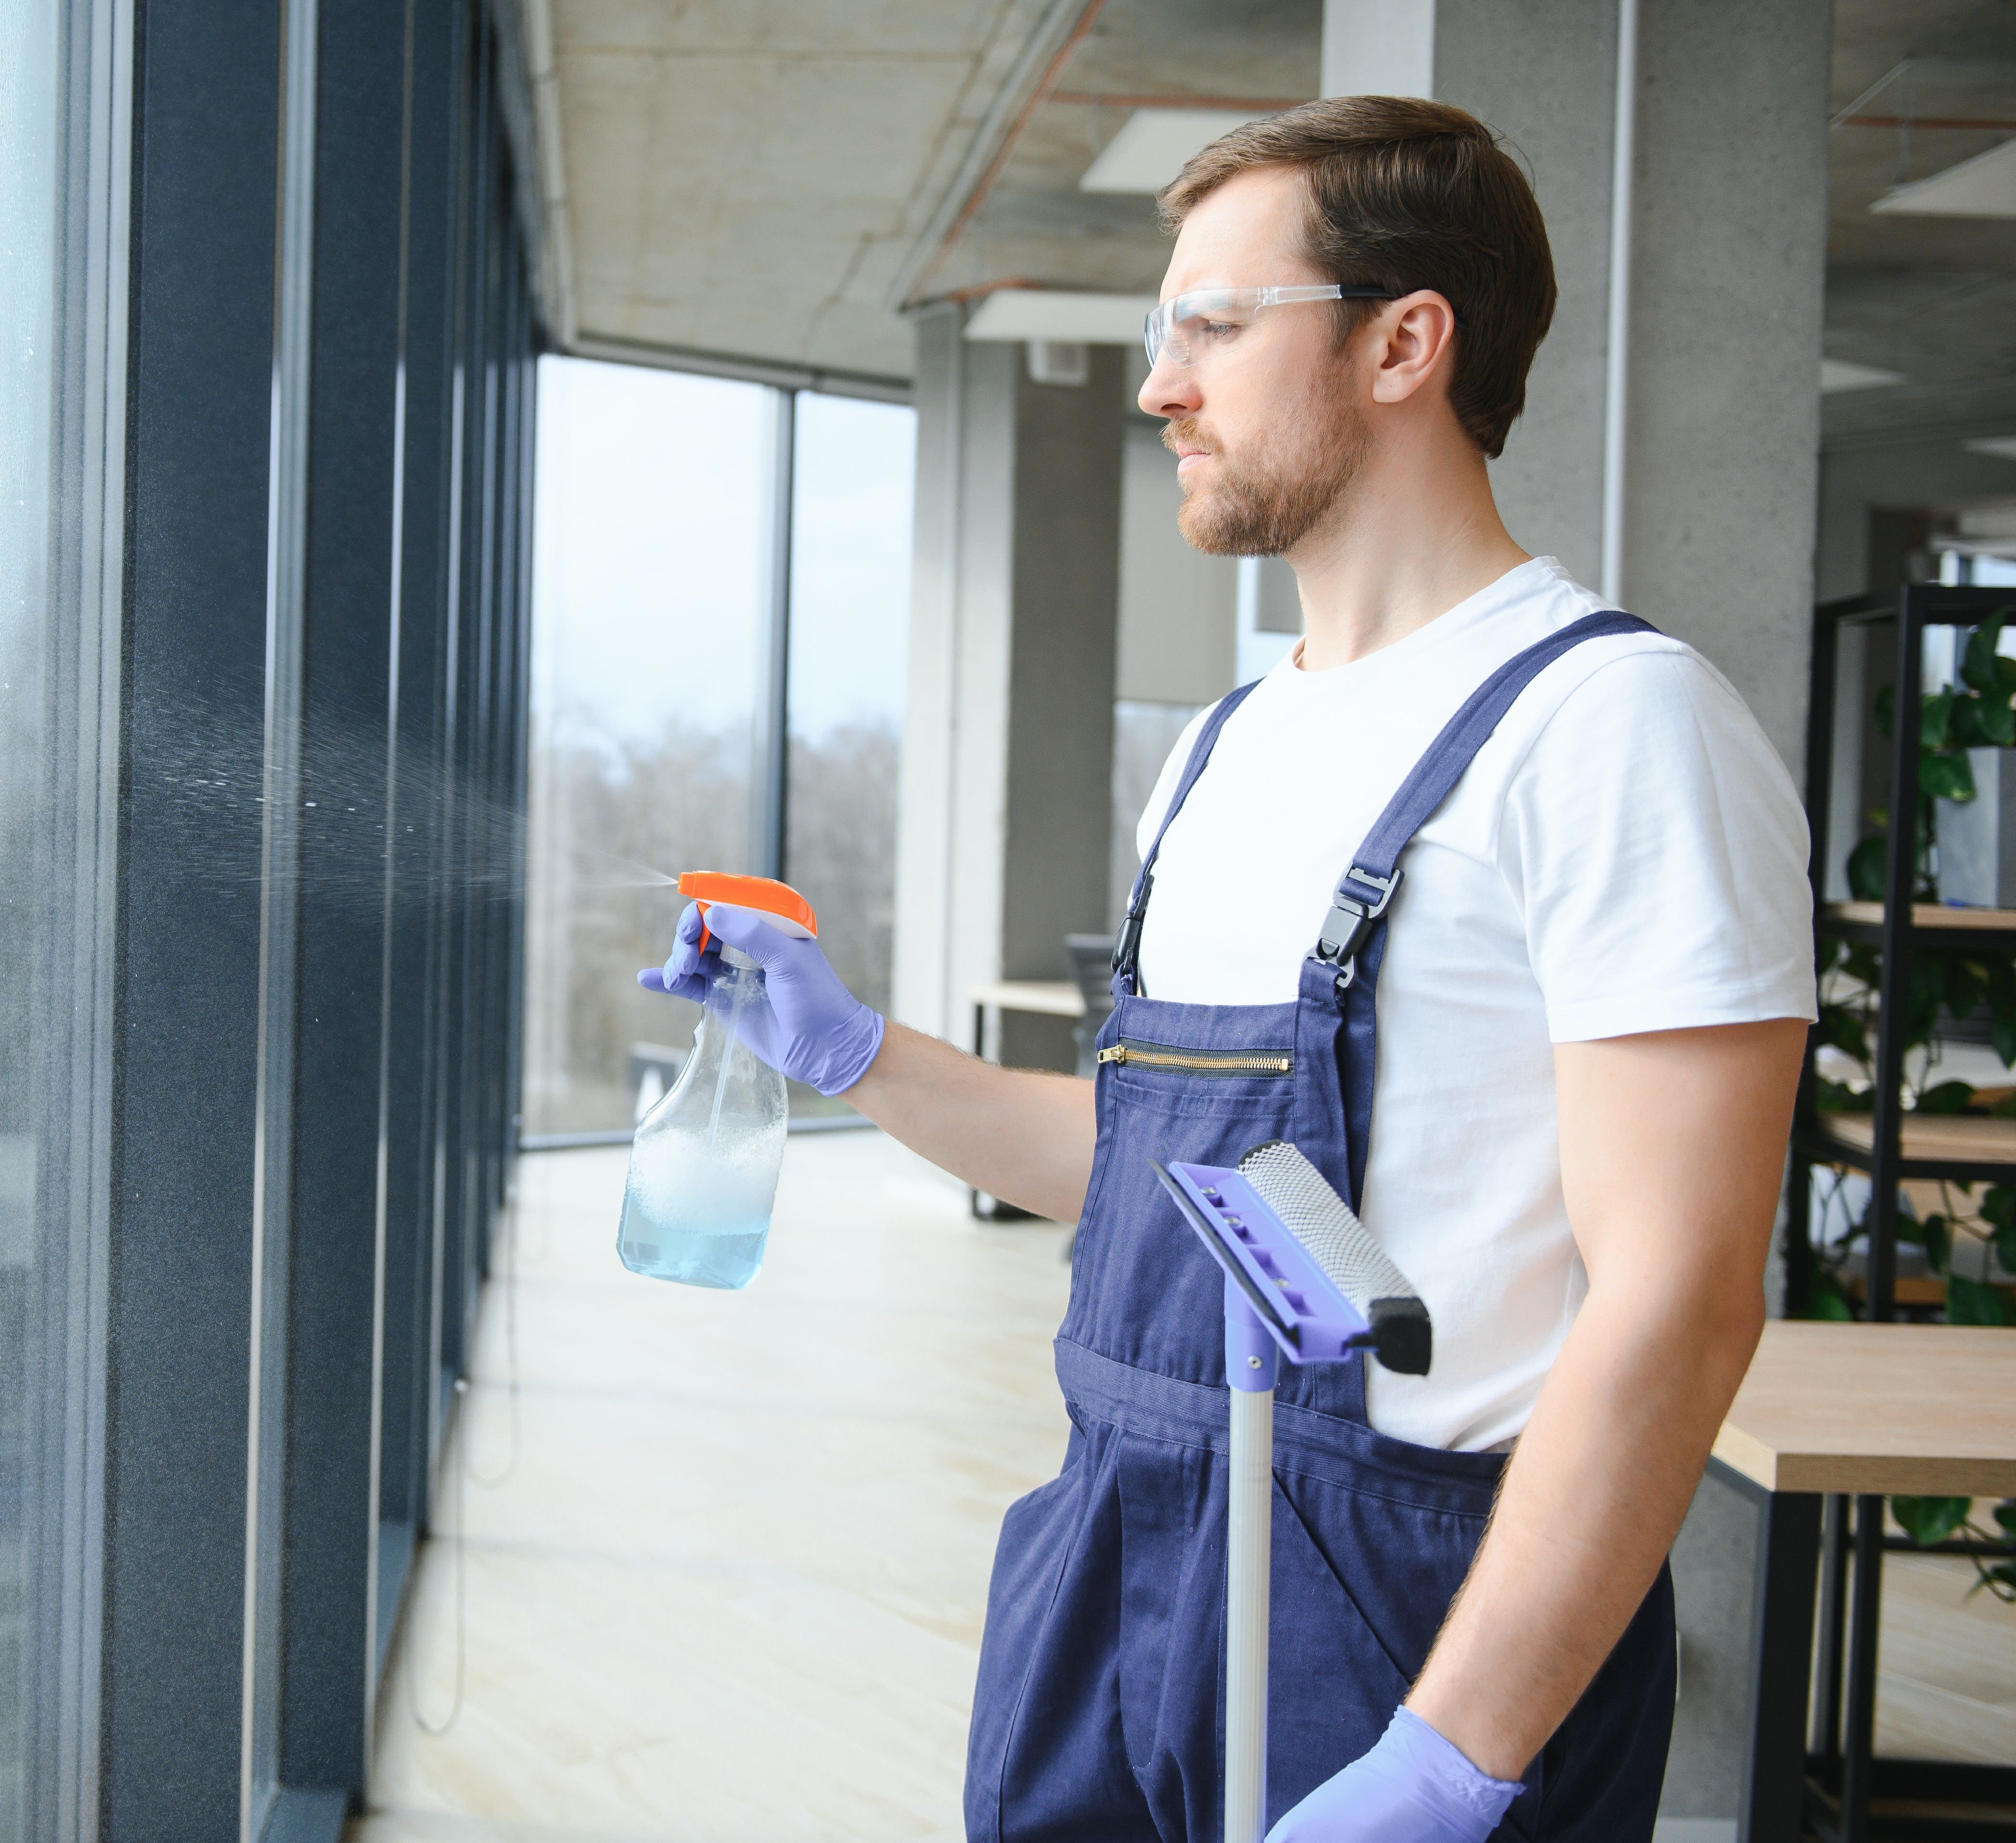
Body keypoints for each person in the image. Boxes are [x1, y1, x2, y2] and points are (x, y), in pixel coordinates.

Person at [639, 97, 1812, 1842]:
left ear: (1405, 341)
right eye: (1159, 329)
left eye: (1212, 323)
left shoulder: (1613, 729)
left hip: (1400, 1610)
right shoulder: (1226, 746)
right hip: (1118, 1553)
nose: (1160, 385)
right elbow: (1156, 1179)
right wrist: (860, 1051)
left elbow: (1682, 1300)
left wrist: (1452, 1756)